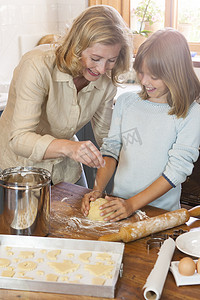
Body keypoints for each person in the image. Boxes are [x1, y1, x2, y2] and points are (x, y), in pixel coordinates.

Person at [0, 5, 132, 185]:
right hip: (19, 168)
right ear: (77, 47)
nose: (102, 69)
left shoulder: (106, 80)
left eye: (111, 60)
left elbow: (106, 136)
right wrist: (70, 148)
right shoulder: (37, 65)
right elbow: (19, 139)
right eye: (95, 59)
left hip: (64, 168)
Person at [81, 28, 200, 221]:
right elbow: (111, 150)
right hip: (119, 205)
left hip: (160, 214)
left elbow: (177, 171)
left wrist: (132, 204)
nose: (144, 81)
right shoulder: (126, 103)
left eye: (154, 76)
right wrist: (98, 190)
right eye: (141, 72)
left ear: (176, 73)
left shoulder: (191, 113)